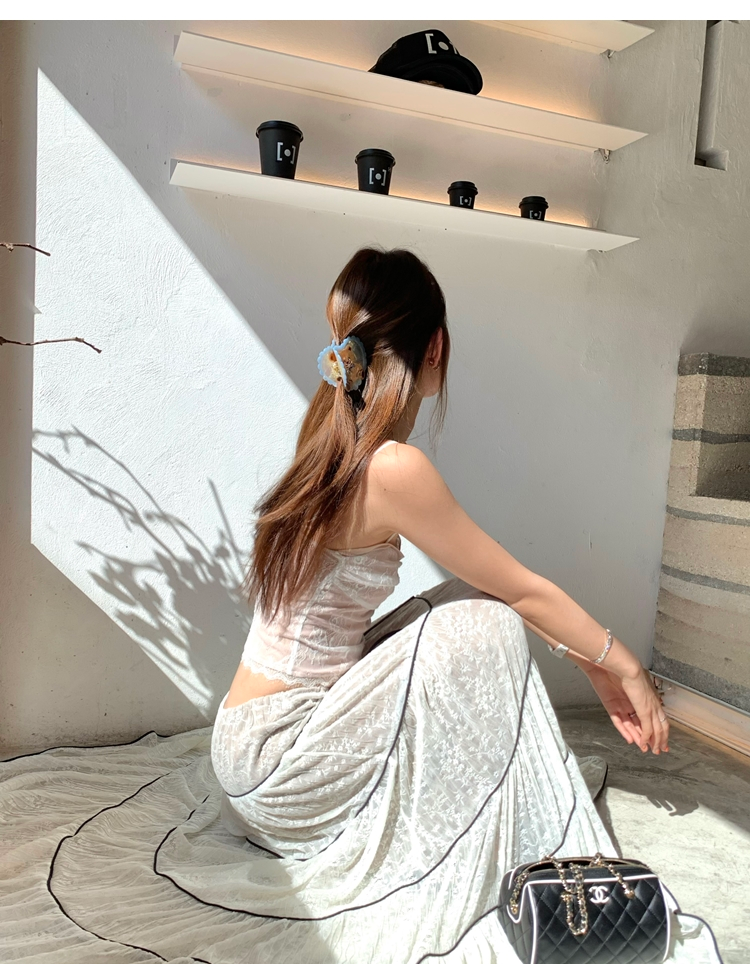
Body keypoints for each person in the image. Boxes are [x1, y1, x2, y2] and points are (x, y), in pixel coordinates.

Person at [0, 247, 720, 964]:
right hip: (283, 766)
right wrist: (623, 665)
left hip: (250, 748)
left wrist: (590, 662)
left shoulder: (330, 441)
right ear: (435, 347)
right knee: (489, 622)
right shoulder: (393, 466)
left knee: (467, 599)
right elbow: (519, 588)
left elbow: (496, 582)